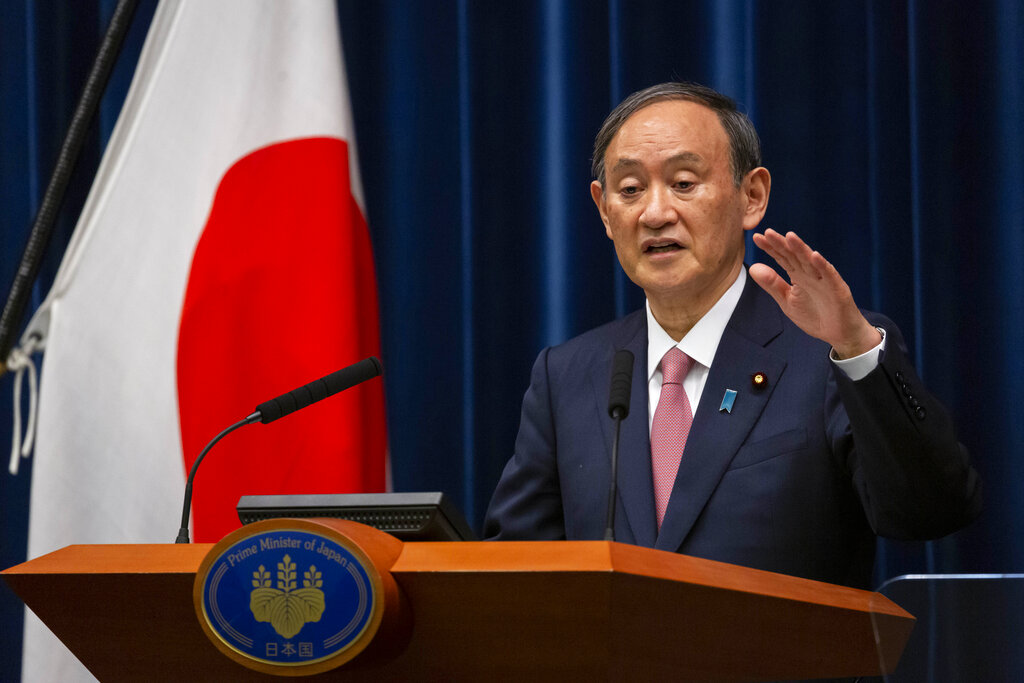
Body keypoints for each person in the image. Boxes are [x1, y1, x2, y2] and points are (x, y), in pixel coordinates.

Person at [482, 82, 981, 589]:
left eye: (683, 183)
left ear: (752, 196)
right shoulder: (568, 375)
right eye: (630, 190)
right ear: (605, 210)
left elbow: (930, 513)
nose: (655, 213)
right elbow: (515, 573)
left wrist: (856, 352)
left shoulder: (832, 354)